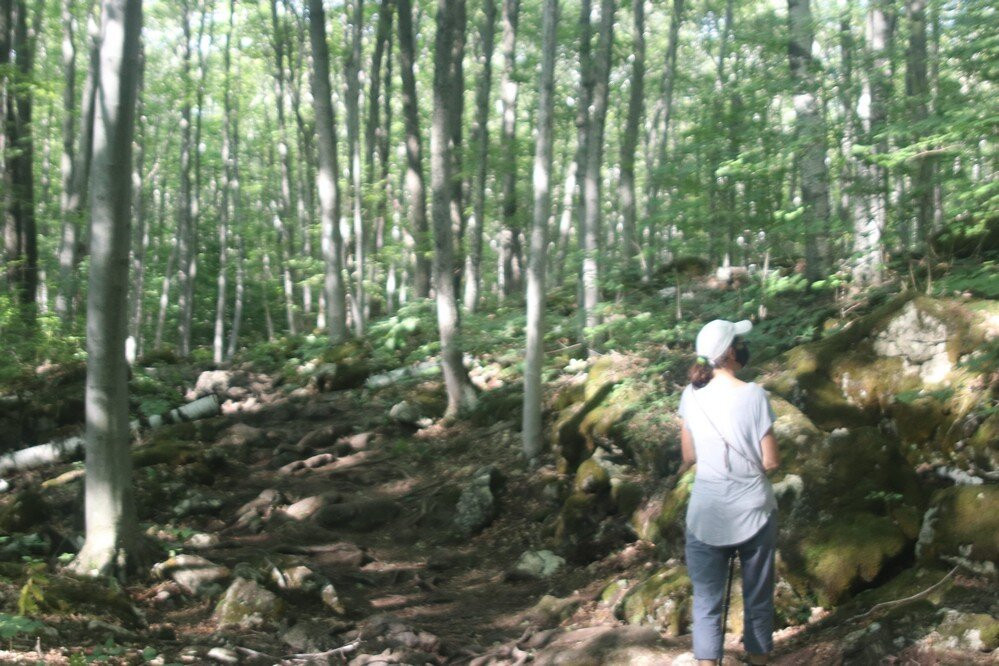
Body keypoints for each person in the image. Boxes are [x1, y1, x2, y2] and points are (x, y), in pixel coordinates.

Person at [678, 318, 780, 666]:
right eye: (739, 342)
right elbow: (771, 461)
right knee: (758, 598)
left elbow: (689, 456)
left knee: (706, 602)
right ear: (730, 353)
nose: (744, 347)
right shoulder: (754, 395)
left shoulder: (691, 395)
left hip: (705, 513)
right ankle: (759, 659)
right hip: (754, 511)